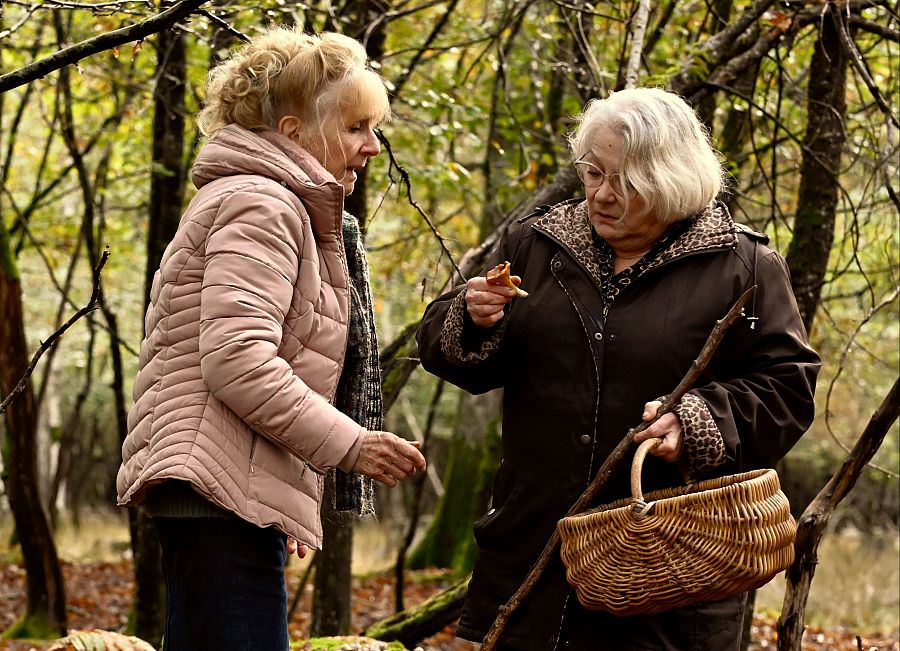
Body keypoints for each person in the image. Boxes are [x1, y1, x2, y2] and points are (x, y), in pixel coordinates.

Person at [416, 87, 820, 651]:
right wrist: (471, 315)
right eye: (592, 173)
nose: (601, 195)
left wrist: (699, 422)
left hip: (671, 582)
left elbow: (789, 389)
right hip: (531, 561)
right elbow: (444, 349)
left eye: (624, 182)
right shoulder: (537, 246)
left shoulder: (742, 267)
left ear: (669, 179)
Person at [117, 28, 426, 651]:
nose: (372, 147)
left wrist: (274, 497)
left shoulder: (260, 201)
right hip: (212, 494)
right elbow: (238, 360)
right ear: (292, 132)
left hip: (220, 490)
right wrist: (353, 445)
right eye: (356, 128)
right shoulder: (265, 205)